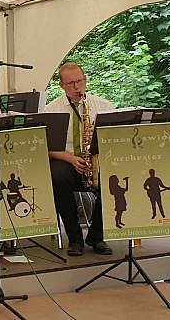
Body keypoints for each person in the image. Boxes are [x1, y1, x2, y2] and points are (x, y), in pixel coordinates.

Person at [46, 62, 115, 257]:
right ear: (62, 85)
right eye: (71, 84)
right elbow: (46, 148)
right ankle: (74, 237)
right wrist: (70, 158)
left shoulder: (104, 106)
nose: (77, 87)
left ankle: (97, 235)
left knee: (113, 177)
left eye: (80, 81)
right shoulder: (51, 110)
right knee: (57, 176)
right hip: (68, 161)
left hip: (96, 161)